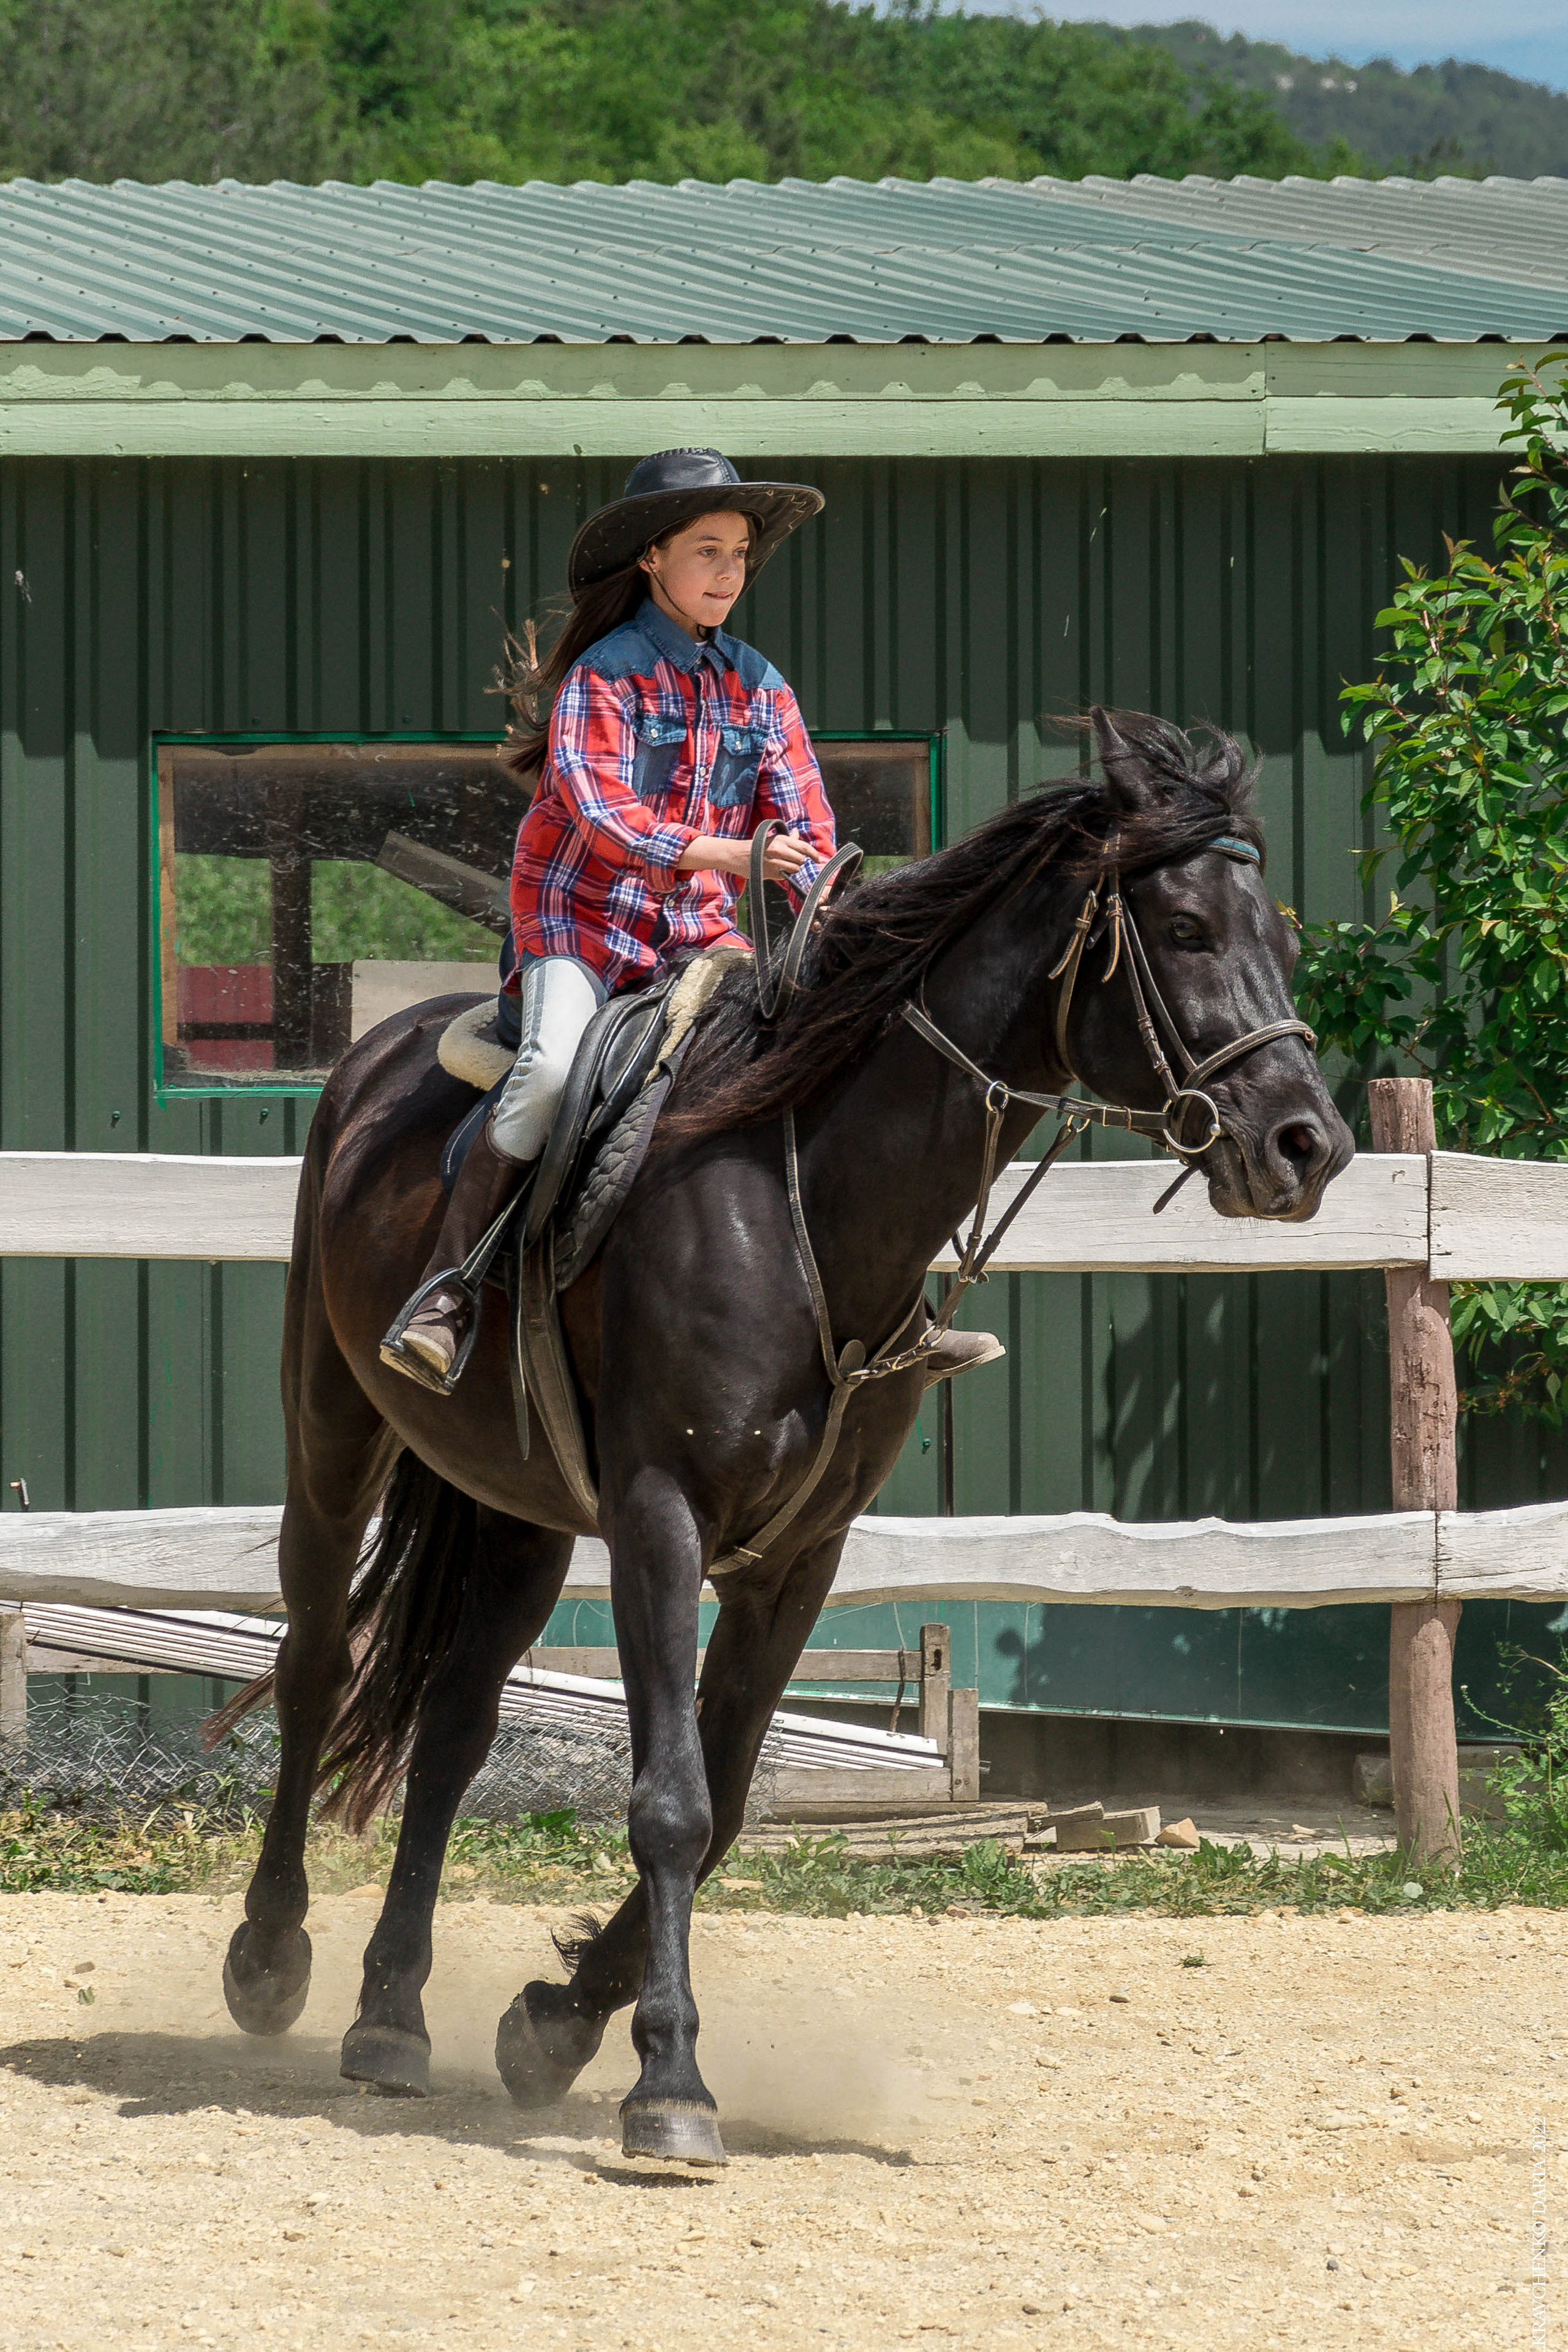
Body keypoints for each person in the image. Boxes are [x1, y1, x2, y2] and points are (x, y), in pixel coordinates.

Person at [381, 447, 1000, 1396]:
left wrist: (839, 920)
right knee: (547, 1070)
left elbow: (808, 827)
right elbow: (603, 814)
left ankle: (897, 1316)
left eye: (741, 554)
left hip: (706, 945)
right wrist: (740, 857)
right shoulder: (604, 677)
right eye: (706, 550)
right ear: (651, 561)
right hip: (581, 930)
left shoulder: (762, 686)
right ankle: (450, 1291)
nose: (727, 572)